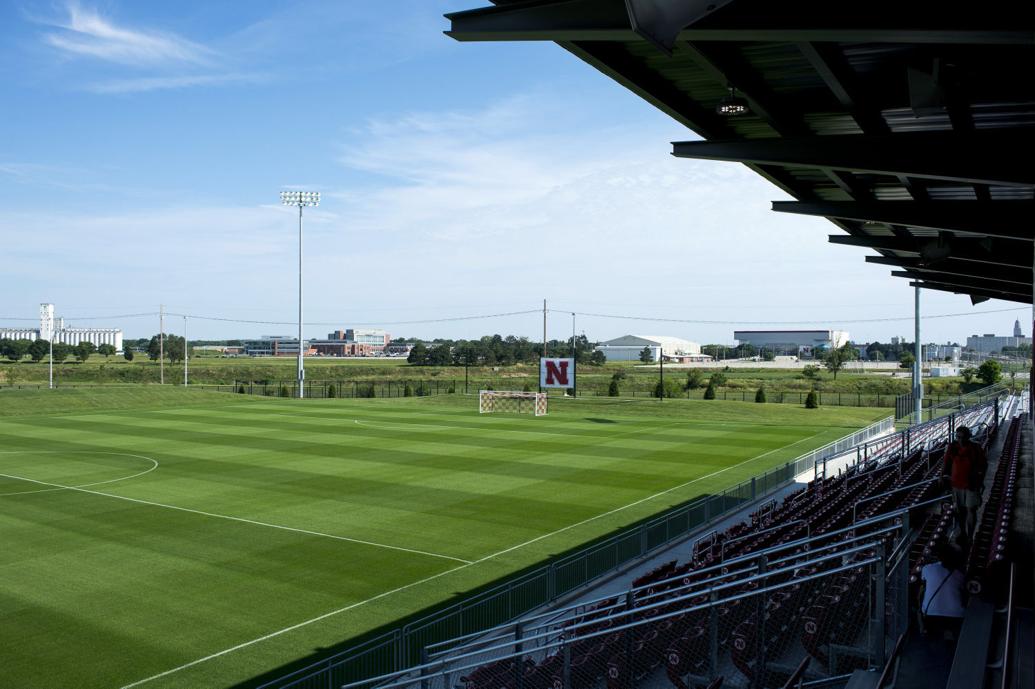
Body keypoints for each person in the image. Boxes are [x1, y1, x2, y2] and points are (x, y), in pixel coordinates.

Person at [942, 425, 986, 541]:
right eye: (958, 437)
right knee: (960, 510)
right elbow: (946, 462)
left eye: (962, 437)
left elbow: (983, 465)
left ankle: (970, 536)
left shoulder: (976, 448)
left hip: (971, 485)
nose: (960, 440)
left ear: (968, 437)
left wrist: (980, 481)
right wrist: (942, 476)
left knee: (971, 509)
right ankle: (962, 532)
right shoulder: (952, 447)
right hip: (956, 485)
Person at [918, 543, 965, 640]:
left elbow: (923, 585)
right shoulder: (960, 574)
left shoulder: (927, 569)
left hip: (931, 613)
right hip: (956, 614)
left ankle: (924, 631)